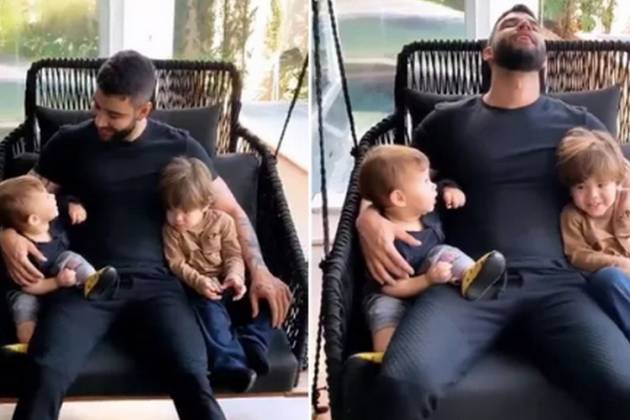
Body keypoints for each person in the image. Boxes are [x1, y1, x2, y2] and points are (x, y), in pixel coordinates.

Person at [356, 5, 630, 419]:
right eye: (510, 23)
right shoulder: (448, 121)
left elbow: (621, 182)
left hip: (558, 287)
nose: (524, 24)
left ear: (545, 57)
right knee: (401, 382)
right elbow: (386, 178)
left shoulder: (580, 126)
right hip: (467, 282)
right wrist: (367, 217)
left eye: (532, 23)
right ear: (488, 52)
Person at [0, 50, 291, 420]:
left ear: (144, 110)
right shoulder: (69, 143)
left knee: (192, 378)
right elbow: (15, 198)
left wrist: (260, 270)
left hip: (160, 286)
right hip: (87, 282)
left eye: (113, 114)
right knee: (44, 372)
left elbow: (232, 211)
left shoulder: (180, 147)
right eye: (97, 107)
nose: (100, 120)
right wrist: (5, 233)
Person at [358, 145, 506, 352]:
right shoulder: (387, 242)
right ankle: (383, 355)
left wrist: (450, 189)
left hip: (429, 269)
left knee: (445, 252)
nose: (433, 186)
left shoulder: (424, 210)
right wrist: (427, 281)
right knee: (384, 313)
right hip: (395, 291)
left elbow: (441, 183)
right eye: (426, 182)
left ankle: (470, 274)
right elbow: (389, 288)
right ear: (399, 198)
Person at [160, 156, 272, 392]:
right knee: (212, 320)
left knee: (269, 303)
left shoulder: (223, 222)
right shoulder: (171, 231)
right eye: (171, 210)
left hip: (229, 283)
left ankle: (253, 342)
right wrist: (200, 282)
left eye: (185, 211)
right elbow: (177, 264)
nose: (177, 218)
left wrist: (236, 277)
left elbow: (233, 255)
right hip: (200, 290)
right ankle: (231, 366)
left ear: (205, 205)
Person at [0, 175, 119, 346]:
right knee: (24, 309)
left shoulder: (52, 220)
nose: (52, 195)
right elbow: (29, 286)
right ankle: (26, 342)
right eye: (46, 196)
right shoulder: (23, 251)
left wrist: (73, 205)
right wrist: (57, 282)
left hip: (56, 265)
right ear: (34, 219)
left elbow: (63, 202)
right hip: (30, 287)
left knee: (71, 257)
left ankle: (92, 280)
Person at [556, 127, 630, 340]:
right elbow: (577, 254)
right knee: (608, 279)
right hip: (620, 282)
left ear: (617, 182)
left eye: (601, 185)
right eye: (581, 187)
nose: (593, 196)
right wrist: (620, 264)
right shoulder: (572, 216)